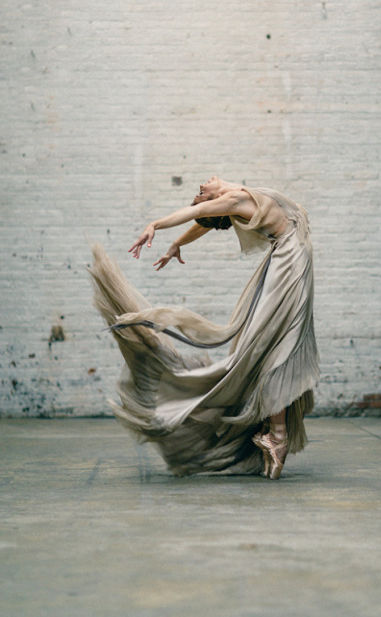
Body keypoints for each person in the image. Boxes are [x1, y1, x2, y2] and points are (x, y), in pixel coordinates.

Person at [90, 177, 319, 479]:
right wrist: (157, 226)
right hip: (289, 264)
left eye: (201, 193)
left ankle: (276, 436)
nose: (201, 186)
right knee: (273, 344)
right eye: (200, 194)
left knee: (277, 343)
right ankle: (277, 437)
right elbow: (198, 216)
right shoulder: (235, 200)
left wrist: (177, 242)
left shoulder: (238, 196)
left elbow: (205, 219)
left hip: (290, 262)